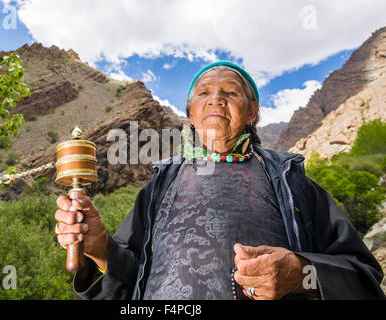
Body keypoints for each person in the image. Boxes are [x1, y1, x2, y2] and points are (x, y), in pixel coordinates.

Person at [54, 61, 385, 300]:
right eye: (204, 93)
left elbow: (364, 276)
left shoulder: (290, 181)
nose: (216, 99)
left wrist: (301, 274)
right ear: (192, 116)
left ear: (252, 112)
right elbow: (132, 279)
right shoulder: (160, 184)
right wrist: (101, 250)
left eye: (231, 92)